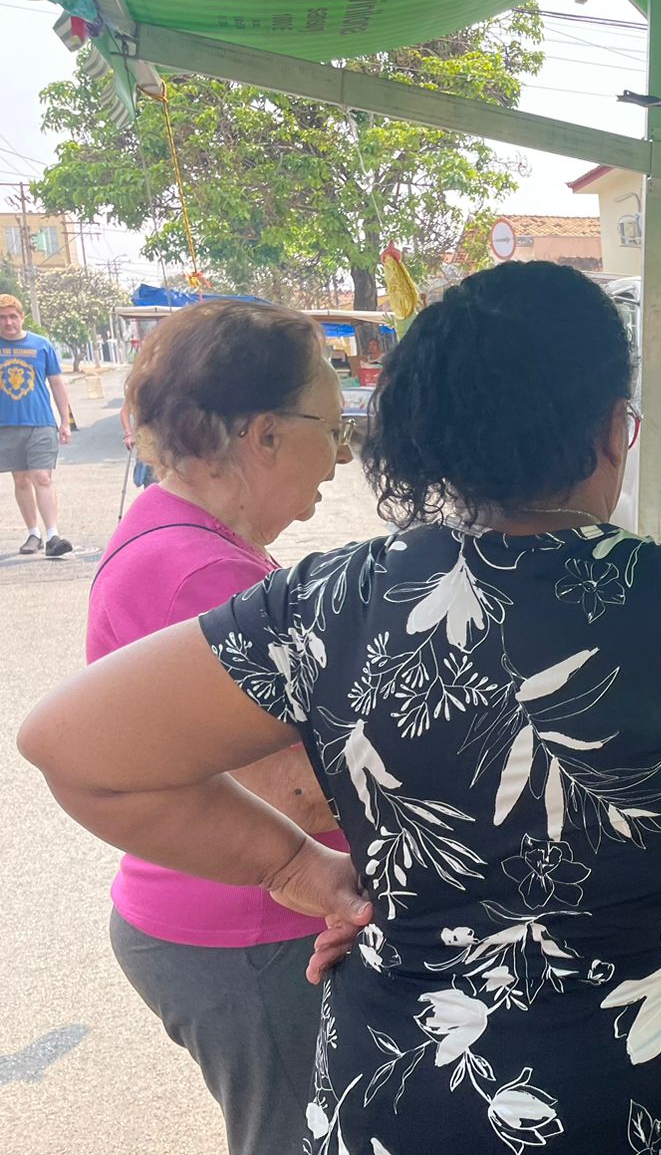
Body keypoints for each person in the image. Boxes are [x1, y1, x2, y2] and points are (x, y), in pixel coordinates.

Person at [20, 260, 661, 1153]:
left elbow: (70, 747)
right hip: (639, 1104)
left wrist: (297, 868)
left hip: (404, 1101)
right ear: (611, 430)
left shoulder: (335, 602)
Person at [88, 299, 356, 1154]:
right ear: (264, 437)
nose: (342, 454)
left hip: (244, 919)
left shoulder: (205, 545)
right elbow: (291, 791)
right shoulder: (196, 569)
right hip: (251, 933)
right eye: (333, 424)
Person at [0, 293, 74, 556]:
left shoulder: (41, 345)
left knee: (42, 477)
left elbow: (56, 383)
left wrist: (65, 421)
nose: (8, 322)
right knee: (20, 480)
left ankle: (54, 536)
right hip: (5, 425)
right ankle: (33, 533)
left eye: (12, 316)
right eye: (2, 317)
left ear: (21, 317)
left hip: (40, 422)